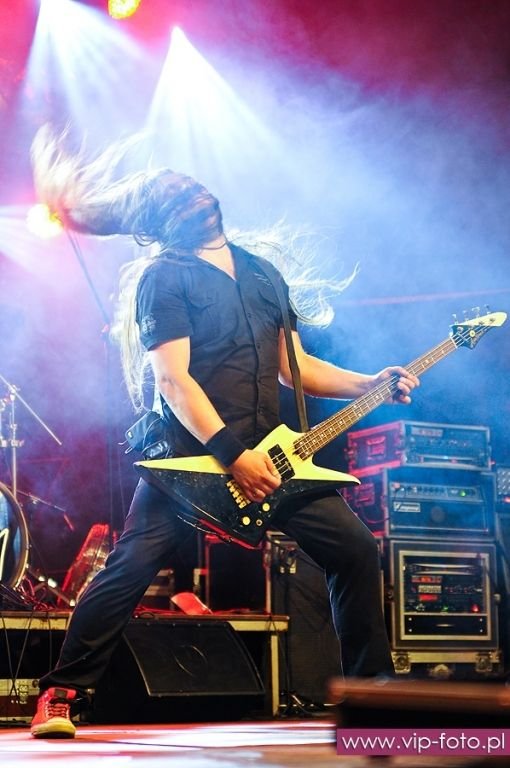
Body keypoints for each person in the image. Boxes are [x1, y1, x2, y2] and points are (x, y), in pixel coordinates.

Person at [29, 126, 419, 738]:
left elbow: (295, 366)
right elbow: (173, 380)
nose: (192, 191)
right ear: (161, 220)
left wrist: (369, 382)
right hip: (196, 460)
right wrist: (233, 456)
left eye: (190, 183)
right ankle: (61, 692)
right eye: (174, 193)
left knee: (354, 551)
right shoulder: (166, 276)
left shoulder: (262, 274)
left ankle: (371, 699)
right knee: (131, 566)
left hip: (275, 457)